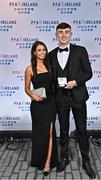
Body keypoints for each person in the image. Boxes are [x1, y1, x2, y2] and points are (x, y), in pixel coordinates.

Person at [49, 22, 96, 179]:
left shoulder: (80, 51)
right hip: (60, 98)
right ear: (56, 34)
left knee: (82, 130)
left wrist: (75, 82)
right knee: (63, 130)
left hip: (78, 96)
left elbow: (88, 73)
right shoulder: (51, 54)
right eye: (60, 32)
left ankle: (86, 161)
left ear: (71, 34)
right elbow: (50, 77)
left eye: (66, 32)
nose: (63, 34)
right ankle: (64, 158)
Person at [25, 41, 58, 176]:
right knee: (40, 134)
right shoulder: (29, 69)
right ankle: (39, 159)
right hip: (37, 105)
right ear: (34, 52)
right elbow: (26, 88)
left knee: (50, 132)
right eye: (39, 50)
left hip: (50, 103)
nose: (42, 52)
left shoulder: (50, 66)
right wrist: (32, 95)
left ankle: (47, 163)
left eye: (44, 49)